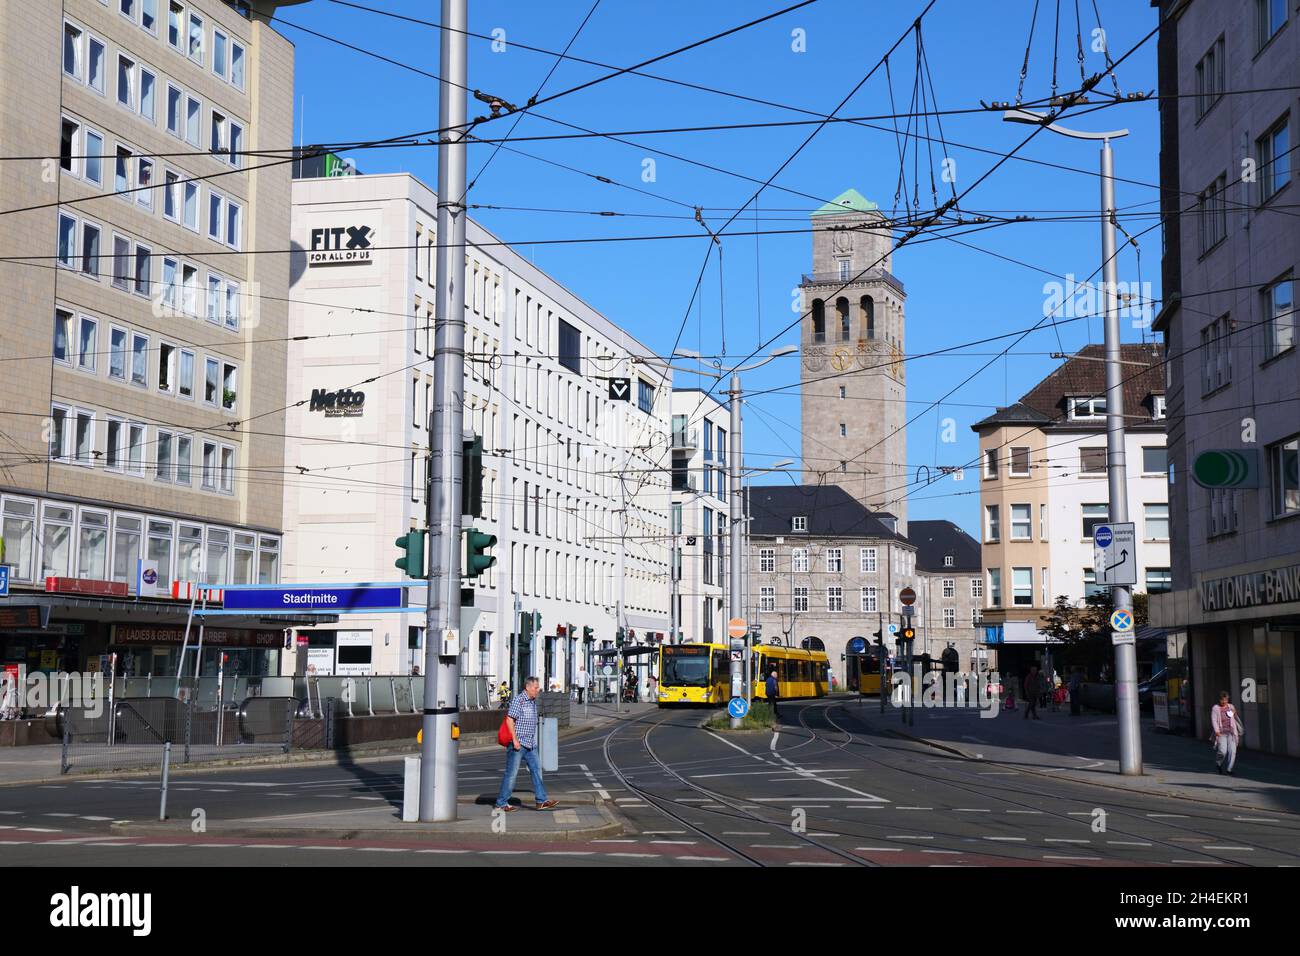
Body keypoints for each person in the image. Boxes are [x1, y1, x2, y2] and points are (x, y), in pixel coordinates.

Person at [494, 677, 558, 812]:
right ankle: (501, 803)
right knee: (511, 773)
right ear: (528, 687)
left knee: (536, 770)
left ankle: (541, 800)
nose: (538, 690)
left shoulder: (532, 701)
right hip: (518, 743)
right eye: (536, 688)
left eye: (538, 688)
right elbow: (510, 720)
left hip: (530, 744)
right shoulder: (520, 700)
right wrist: (515, 740)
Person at [1210, 691, 1244, 776]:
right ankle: (1218, 763)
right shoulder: (1215, 708)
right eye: (1222, 700)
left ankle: (1229, 769)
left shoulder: (1230, 706)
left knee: (1233, 751)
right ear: (1219, 699)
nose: (1224, 702)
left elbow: (1234, 717)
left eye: (1226, 700)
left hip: (1231, 733)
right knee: (1222, 751)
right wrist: (1217, 730)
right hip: (1221, 733)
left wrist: (1235, 713)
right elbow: (1214, 720)